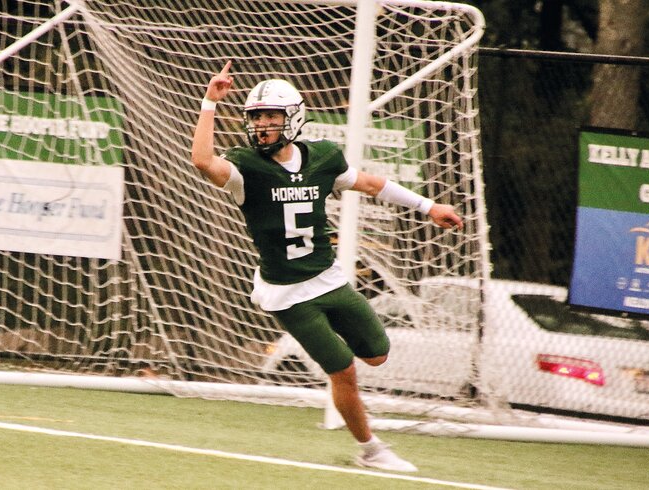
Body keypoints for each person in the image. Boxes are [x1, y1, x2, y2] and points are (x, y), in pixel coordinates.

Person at [191, 61, 463, 473]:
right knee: (344, 370)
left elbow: (371, 184)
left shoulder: (322, 158)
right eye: (256, 117)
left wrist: (428, 207)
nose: (262, 124)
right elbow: (202, 161)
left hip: (329, 279)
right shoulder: (245, 166)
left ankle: (355, 405)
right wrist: (210, 102)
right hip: (286, 293)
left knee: (377, 355)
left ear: (293, 118)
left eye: (271, 116)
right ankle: (372, 449)